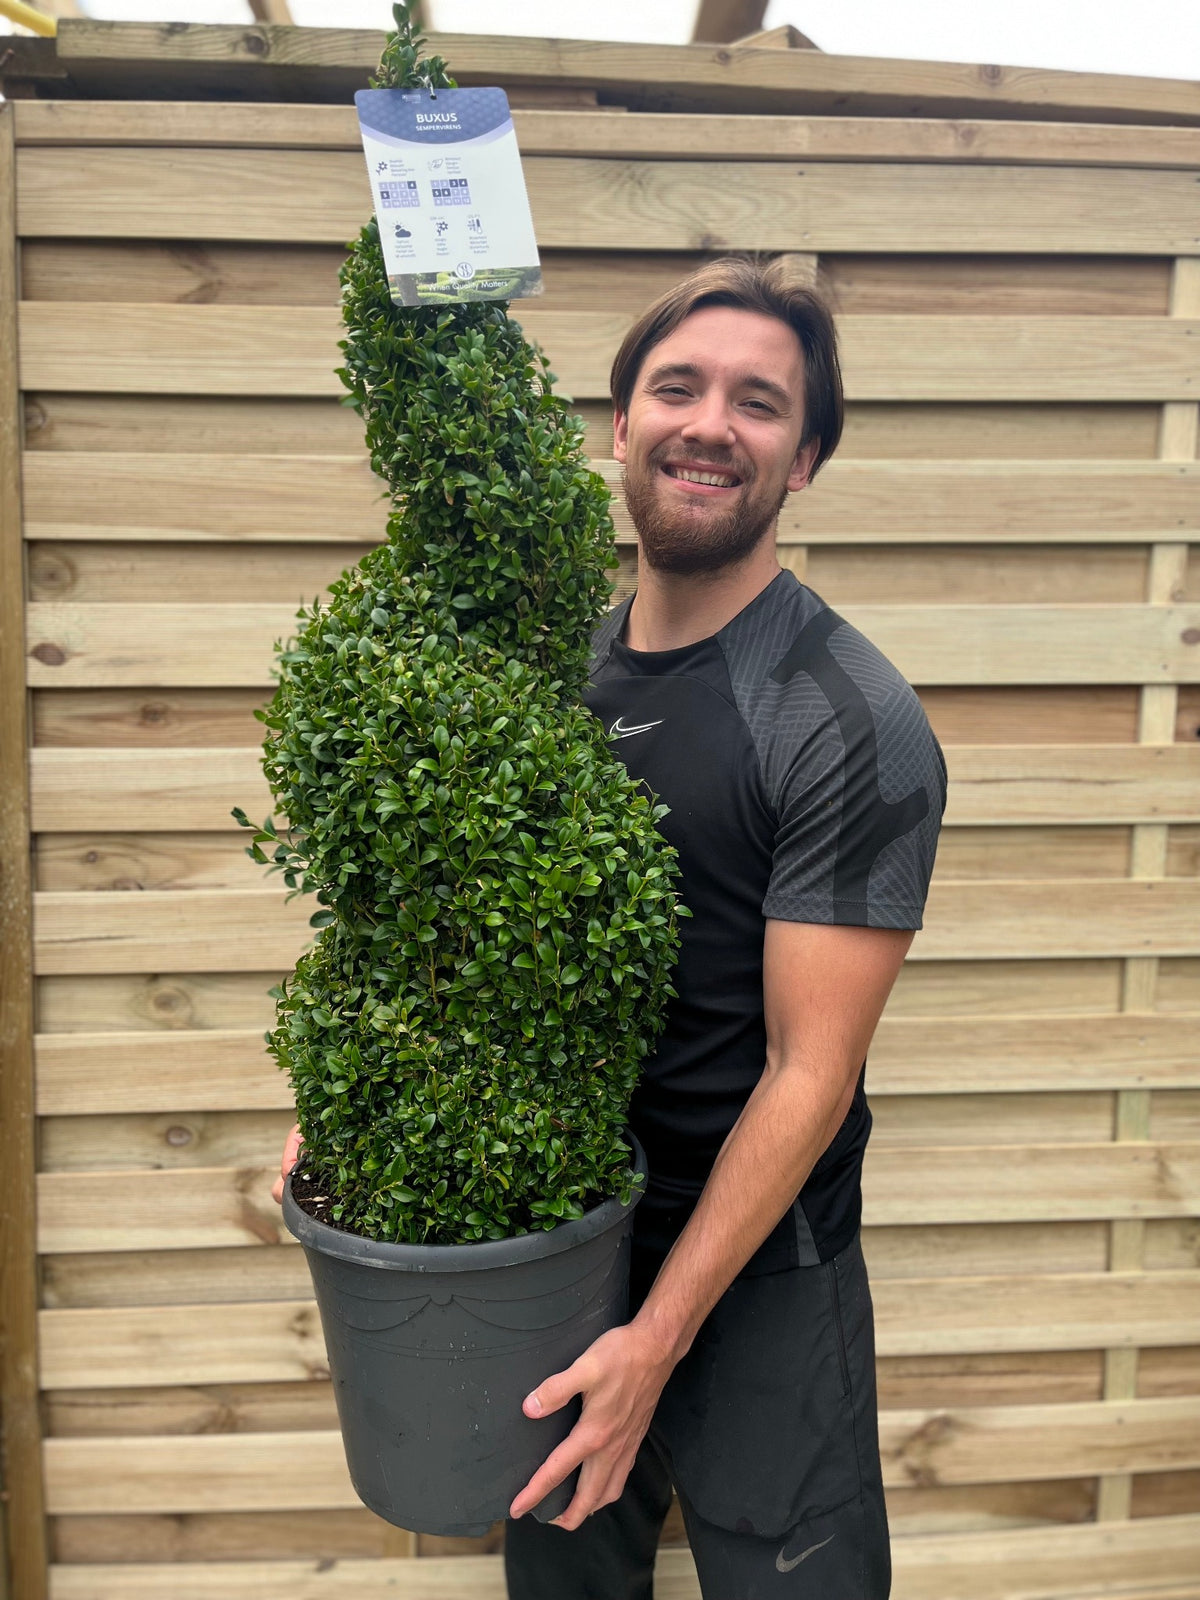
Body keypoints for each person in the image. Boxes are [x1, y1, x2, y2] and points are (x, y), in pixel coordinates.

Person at [275, 256, 946, 1599]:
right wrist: (363, 1113)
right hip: (558, 1250)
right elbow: (451, 942)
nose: (710, 423)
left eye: (759, 403)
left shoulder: (840, 714)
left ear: (805, 457)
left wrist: (661, 1334)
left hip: (760, 1273)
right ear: (621, 424)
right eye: (676, 387)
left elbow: (813, 1072)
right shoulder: (551, 680)